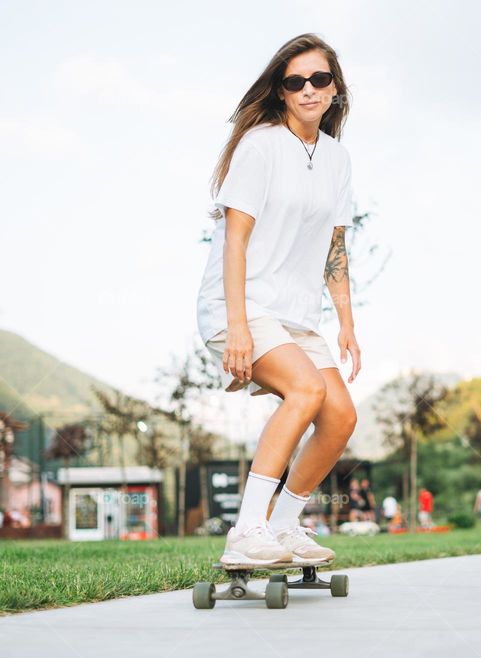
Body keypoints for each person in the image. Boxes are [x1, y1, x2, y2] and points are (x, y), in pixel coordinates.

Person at [196, 34, 360, 565]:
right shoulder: (260, 145)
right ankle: (247, 531)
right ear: (282, 92)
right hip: (239, 305)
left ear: (335, 87)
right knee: (306, 390)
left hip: (295, 316)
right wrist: (238, 326)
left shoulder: (337, 159)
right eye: (296, 82)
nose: (309, 90)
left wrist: (346, 325)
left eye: (320, 79)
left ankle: (285, 526)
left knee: (340, 418)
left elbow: (335, 249)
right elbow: (235, 239)